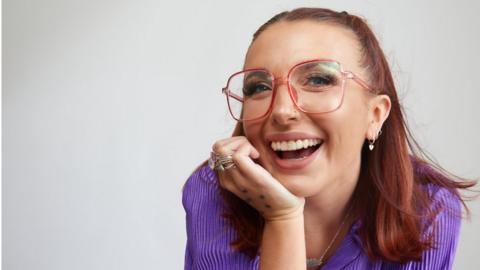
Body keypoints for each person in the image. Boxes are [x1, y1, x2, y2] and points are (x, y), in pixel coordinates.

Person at [182, 7, 476, 270]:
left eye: (318, 80)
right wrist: (283, 219)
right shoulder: (214, 192)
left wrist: (282, 218)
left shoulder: (427, 208)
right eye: (258, 87)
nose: (283, 111)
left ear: (374, 115)